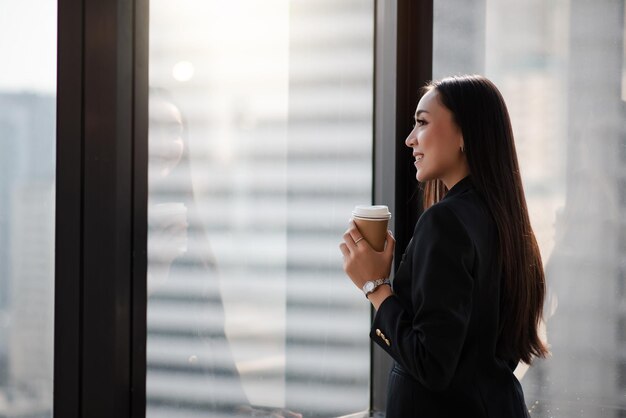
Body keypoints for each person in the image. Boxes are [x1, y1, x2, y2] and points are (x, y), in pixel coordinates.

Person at [339, 74, 549, 417]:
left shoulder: (446, 221)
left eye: (422, 123)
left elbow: (431, 364)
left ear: (465, 133)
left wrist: (375, 286)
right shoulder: (504, 220)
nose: (409, 140)